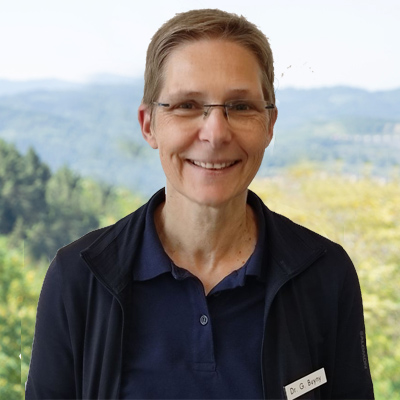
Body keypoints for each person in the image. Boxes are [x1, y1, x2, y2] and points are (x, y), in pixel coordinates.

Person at [25, 8, 374, 400]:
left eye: (240, 106)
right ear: (148, 124)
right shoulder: (79, 278)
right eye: (187, 105)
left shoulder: (324, 273)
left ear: (269, 124)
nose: (216, 133)